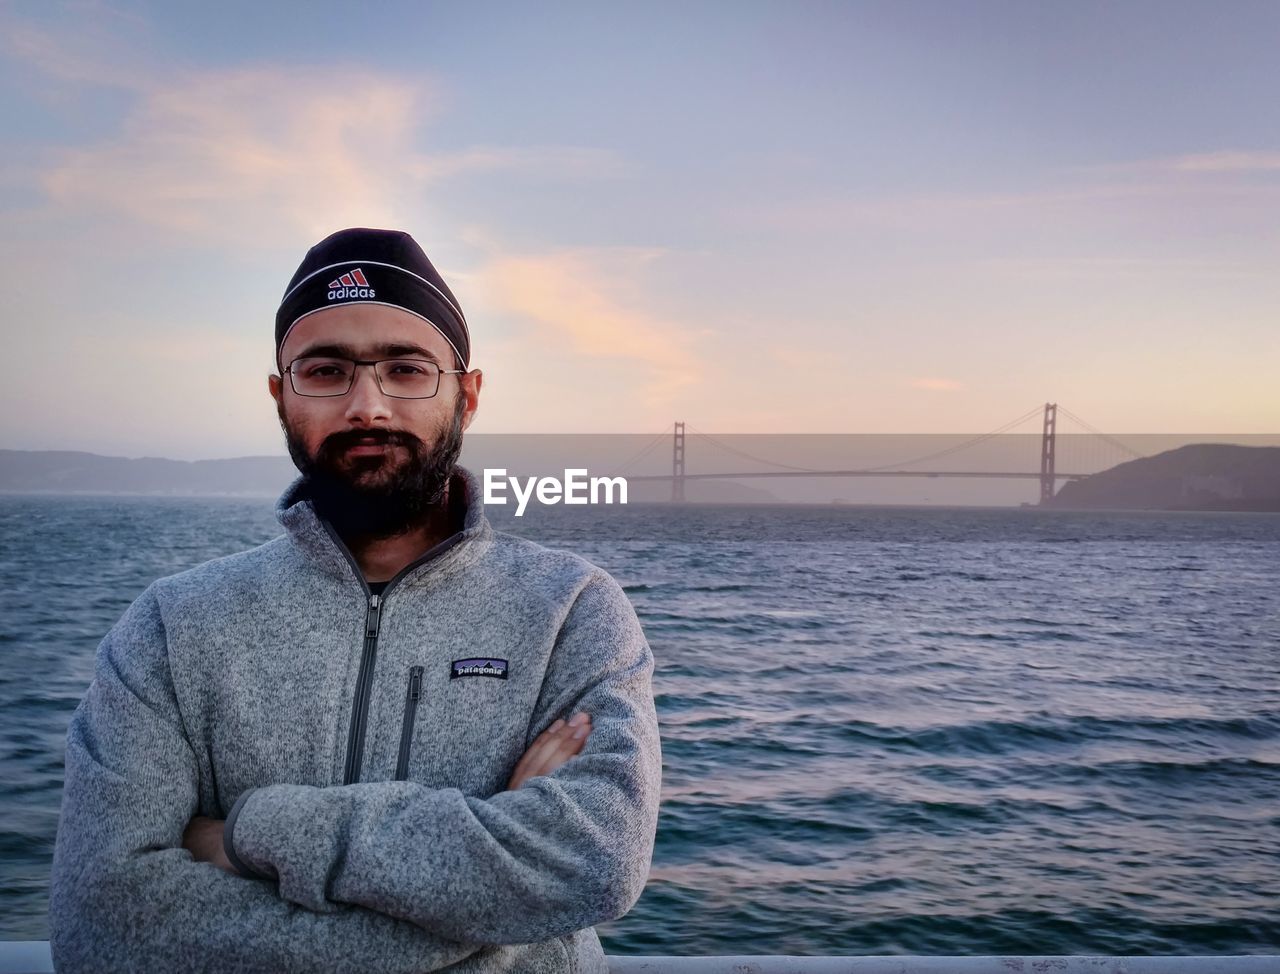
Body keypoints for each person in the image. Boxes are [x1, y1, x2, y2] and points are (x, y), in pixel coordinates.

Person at [47, 227, 663, 973]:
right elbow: (105, 925)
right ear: (280, 396)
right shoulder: (172, 627)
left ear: (467, 395)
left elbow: (595, 862)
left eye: (406, 369)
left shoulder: (572, 611)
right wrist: (491, 895)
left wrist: (248, 834)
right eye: (327, 370)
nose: (367, 406)